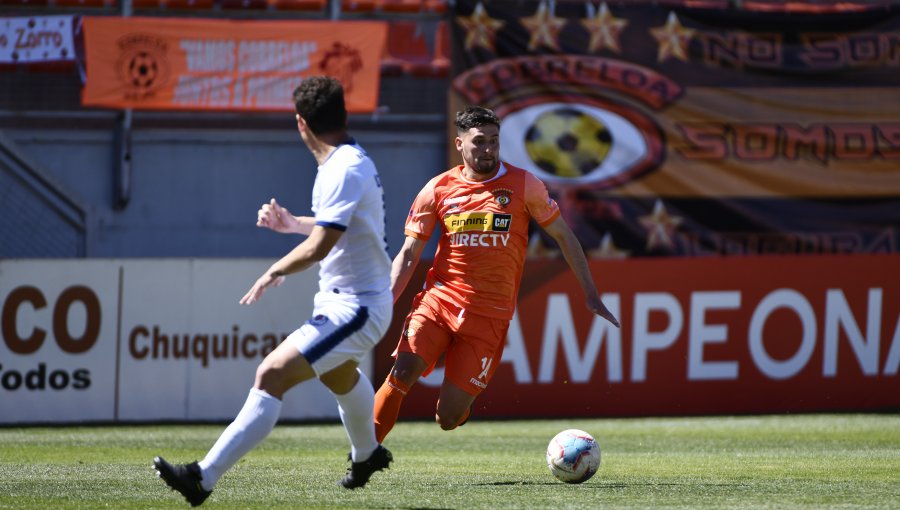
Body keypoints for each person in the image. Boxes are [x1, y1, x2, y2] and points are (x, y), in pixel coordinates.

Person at [152, 76, 394, 507]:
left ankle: (202, 478)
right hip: (350, 301)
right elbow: (340, 228)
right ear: (344, 115)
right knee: (340, 377)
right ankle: (368, 455)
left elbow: (321, 246)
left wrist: (274, 269)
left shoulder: (342, 168)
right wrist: (293, 225)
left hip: (357, 307)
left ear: (300, 123)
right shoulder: (346, 162)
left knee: (271, 374)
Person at [373, 106, 620, 442]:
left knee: (447, 418)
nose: (488, 149)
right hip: (439, 302)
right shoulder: (437, 189)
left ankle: (459, 410)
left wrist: (590, 293)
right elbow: (409, 253)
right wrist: (384, 302)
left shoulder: (524, 185)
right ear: (459, 144)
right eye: (478, 142)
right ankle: (362, 457)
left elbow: (564, 236)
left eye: (494, 141)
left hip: (490, 315)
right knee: (402, 374)